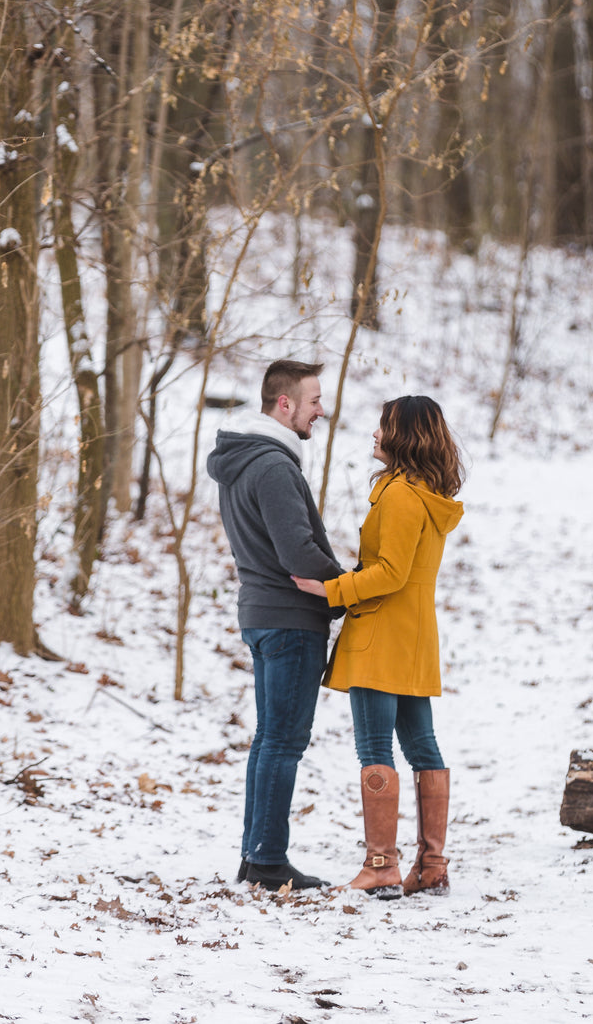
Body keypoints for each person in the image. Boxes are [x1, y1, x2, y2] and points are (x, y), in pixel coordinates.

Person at [293, 395, 464, 898]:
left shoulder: (401, 495)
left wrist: (332, 590)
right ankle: (431, 867)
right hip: (413, 639)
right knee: (422, 748)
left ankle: (381, 864)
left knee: (375, 749)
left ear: (403, 435)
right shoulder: (428, 495)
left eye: (383, 426)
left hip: (380, 638)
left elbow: (390, 573)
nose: (374, 434)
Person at [207, 359, 343, 891]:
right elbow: (298, 552)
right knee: (283, 743)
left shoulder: (242, 459)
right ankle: (266, 861)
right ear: (283, 404)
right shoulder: (274, 465)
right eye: (313, 401)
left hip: (261, 614)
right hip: (289, 618)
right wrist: (347, 590)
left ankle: (255, 856)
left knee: (269, 741)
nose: (320, 410)